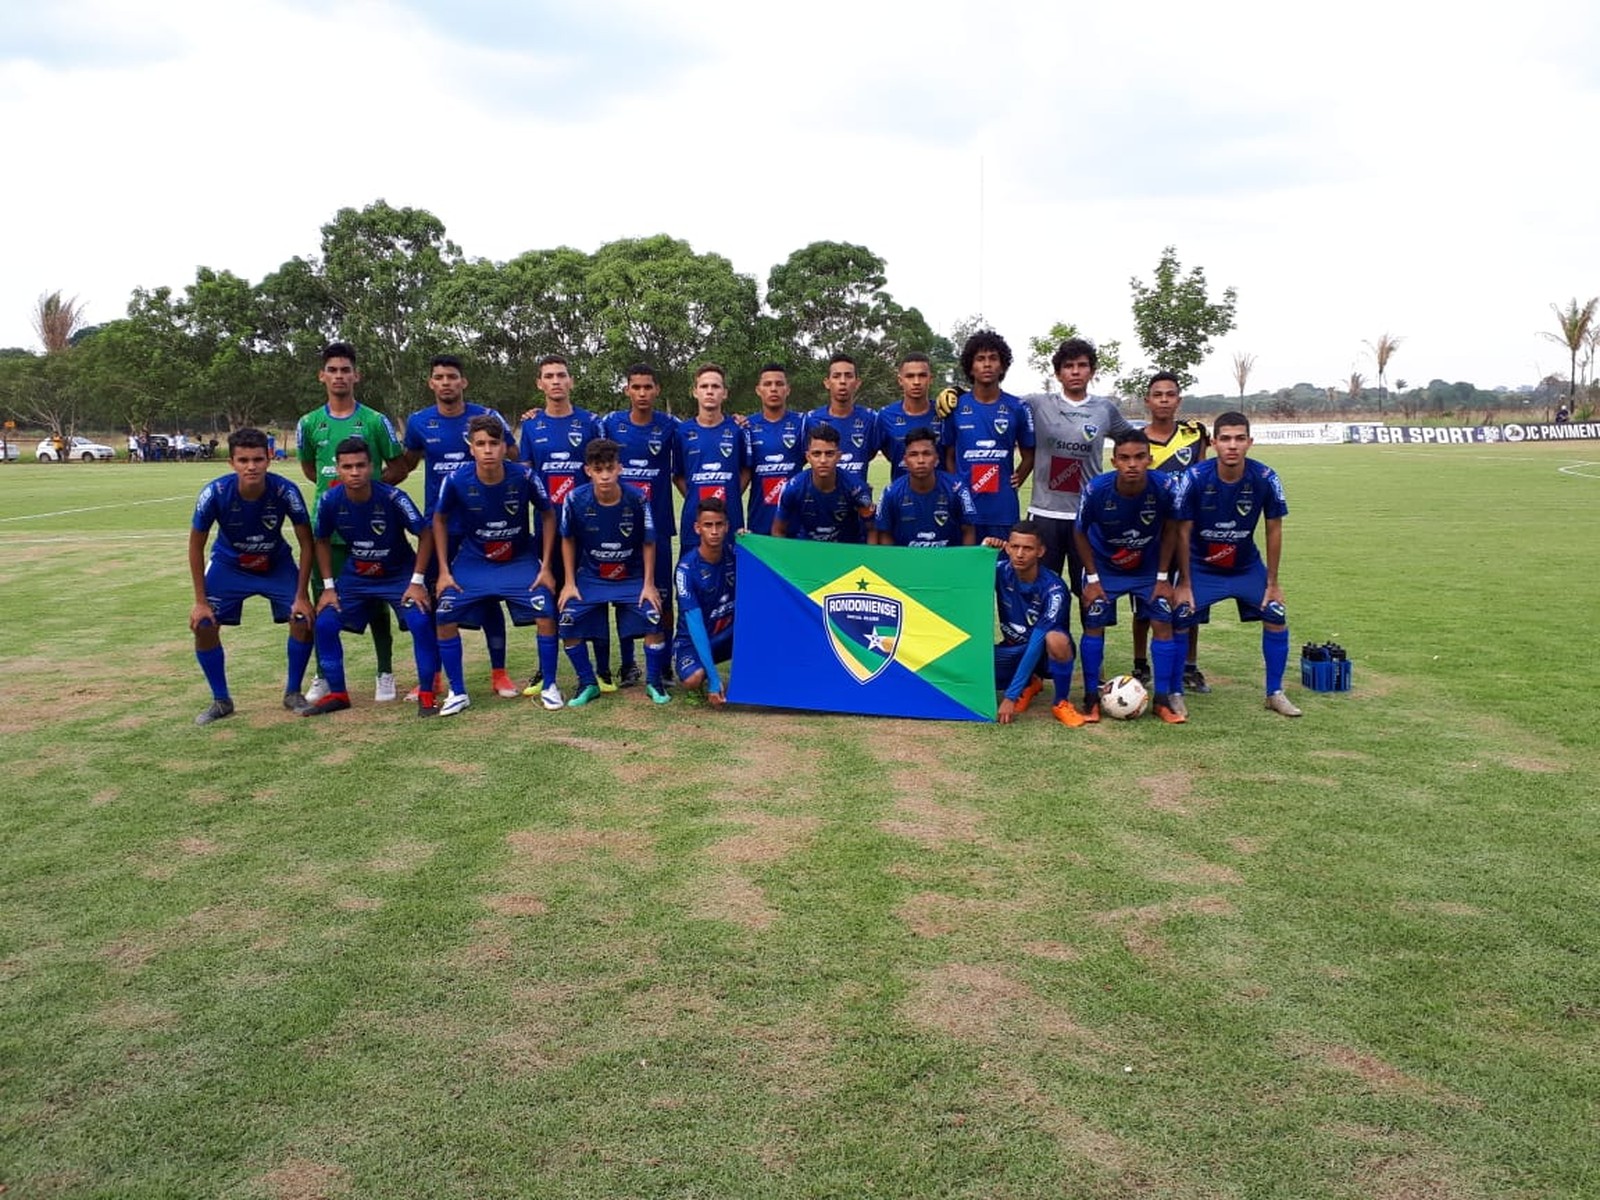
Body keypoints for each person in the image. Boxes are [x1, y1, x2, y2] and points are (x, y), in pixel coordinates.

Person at [392, 354, 519, 700]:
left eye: (452, 376)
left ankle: (500, 673)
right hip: (440, 526)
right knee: (435, 600)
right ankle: (431, 678)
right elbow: (405, 466)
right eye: (439, 377)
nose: (446, 382)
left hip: (483, 525)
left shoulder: (486, 418)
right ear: (431, 383)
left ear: (464, 382)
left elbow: (514, 455)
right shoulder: (419, 422)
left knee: (490, 597)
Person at [295, 342, 407, 704]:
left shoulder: (375, 421)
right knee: (322, 601)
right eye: (333, 370)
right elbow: (311, 469)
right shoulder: (309, 423)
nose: (339, 376)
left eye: (346, 370)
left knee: (376, 602)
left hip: (370, 529)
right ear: (322, 376)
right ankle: (324, 674)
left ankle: (384, 671)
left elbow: (399, 464)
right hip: (326, 530)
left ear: (356, 375)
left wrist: (371, 492)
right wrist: (340, 499)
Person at [1171, 411, 1301, 717]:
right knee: (1178, 617)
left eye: (1240, 439)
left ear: (1250, 442)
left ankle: (1275, 692)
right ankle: (1174, 692)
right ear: (1214, 442)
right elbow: (1182, 530)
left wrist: (1272, 583)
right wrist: (1185, 583)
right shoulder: (1194, 478)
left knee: (1276, 614)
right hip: (1201, 568)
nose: (1233, 446)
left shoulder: (1265, 478)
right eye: (1226, 439)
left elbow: (1274, 528)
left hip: (1245, 567)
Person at [187, 428, 315, 725]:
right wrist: (199, 601)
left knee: (303, 619)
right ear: (231, 462)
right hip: (229, 566)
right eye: (243, 460)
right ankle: (221, 700)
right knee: (204, 624)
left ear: (269, 459)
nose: (251, 466)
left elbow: (307, 542)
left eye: (258, 459)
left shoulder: (286, 491)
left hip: (275, 564)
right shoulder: (214, 493)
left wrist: (301, 596)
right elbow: (196, 546)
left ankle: (293, 693)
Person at [305, 437, 441, 717]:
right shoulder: (330, 500)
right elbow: (320, 541)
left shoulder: (393, 498)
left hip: (398, 575)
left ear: (372, 467)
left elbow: (425, 534)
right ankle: (339, 694)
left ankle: (427, 693)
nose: (355, 472)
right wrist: (329, 588)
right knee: (326, 623)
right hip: (357, 576)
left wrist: (417, 581)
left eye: (360, 465)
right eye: (347, 466)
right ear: (338, 468)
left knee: (420, 620)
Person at [433, 416, 560, 714]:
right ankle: (458, 691)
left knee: (546, 612)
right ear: (471, 448)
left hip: (518, 559)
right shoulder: (456, 479)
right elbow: (438, 519)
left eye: (494, 443)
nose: (488, 450)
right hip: (474, 561)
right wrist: (443, 571)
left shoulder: (525, 477)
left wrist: (546, 566)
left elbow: (548, 514)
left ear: (505, 446)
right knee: (444, 615)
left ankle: (551, 685)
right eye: (481, 444)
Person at [1072, 430, 1186, 724]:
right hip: (1105, 566)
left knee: (1162, 620)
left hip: (1148, 567)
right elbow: (1080, 532)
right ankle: (1090, 698)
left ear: (1149, 459)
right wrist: (1094, 579)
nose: (1132, 464)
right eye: (1124, 458)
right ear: (1114, 462)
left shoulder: (1166, 486)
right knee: (1094, 621)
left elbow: (1172, 529)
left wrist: (1163, 576)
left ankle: (1162, 700)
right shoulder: (1096, 489)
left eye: (1139, 457)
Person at [517, 354, 608, 689]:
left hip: (587, 527)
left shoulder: (590, 423)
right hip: (546, 527)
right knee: (548, 592)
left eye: (562, 375)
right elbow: (526, 474)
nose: (556, 381)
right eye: (549, 376)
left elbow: (603, 470)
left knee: (591, 592)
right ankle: (547, 667)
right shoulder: (531, 425)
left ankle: (602, 668)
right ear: (540, 383)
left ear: (571, 381)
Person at [557, 438, 669, 706]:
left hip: (630, 577)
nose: (605, 475)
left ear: (620, 468)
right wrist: (569, 582)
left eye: (610, 468)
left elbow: (648, 541)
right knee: (567, 620)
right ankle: (587, 683)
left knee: (655, 617)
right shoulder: (574, 499)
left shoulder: (638, 499)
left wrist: (648, 584)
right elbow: (568, 539)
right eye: (598, 469)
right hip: (592, 577)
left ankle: (654, 683)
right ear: (588, 471)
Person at [1017, 337, 1135, 582]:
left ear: (1092, 371)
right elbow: (999, 404)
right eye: (1068, 366)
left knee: (1090, 590)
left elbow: (1135, 442)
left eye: (1082, 365)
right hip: (1045, 514)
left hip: (1087, 514)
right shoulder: (1037, 404)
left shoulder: (1105, 409)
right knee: (1043, 586)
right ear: (1058, 373)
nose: (1075, 371)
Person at [601, 363, 680, 686]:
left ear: (657, 390)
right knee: (624, 595)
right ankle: (628, 664)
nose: (643, 393)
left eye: (648, 387)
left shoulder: (671, 426)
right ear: (627, 390)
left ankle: (662, 664)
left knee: (662, 595)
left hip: (658, 526)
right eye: (637, 387)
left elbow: (703, 430)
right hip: (619, 528)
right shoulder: (610, 425)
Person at [1132, 371, 1211, 694]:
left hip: (1189, 533)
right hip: (1151, 535)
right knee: (1145, 602)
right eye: (1157, 394)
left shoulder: (1195, 435)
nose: (1164, 400)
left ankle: (1190, 666)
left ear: (1178, 400)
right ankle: (1140, 664)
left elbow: (1204, 479)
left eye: (1170, 394)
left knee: (1189, 600)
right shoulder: (1136, 439)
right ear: (1147, 401)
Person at [939, 331, 1036, 543]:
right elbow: (949, 454)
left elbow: (1029, 454)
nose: (987, 364)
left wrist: (1018, 477)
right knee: (966, 571)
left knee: (1000, 570)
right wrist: (957, 486)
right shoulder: (955, 407)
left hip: (1002, 509)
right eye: (980, 359)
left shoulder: (1017, 407)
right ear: (970, 367)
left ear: (1002, 366)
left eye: (993, 358)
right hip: (966, 508)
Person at [989, 520, 1084, 728]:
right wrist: (982, 551)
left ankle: (1061, 702)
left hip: (1043, 654)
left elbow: (1036, 644)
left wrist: (1010, 697)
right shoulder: (999, 571)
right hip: (1013, 650)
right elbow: (965, 579)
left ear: (1040, 551)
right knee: (974, 669)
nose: (1020, 554)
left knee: (1055, 639)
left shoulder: (1054, 589)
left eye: (1028, 548)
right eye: (1015, 547)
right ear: (1007, 548)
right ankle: (1031, 681)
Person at [674, 362, 751, 543]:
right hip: (695, 518)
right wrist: (698, 497)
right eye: (704, 386)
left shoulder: (738, 429)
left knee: (732, 568)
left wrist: (730, 493)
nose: (710, 391)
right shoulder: (682, 432)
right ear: (695, 392)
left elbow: (746, 470)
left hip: (730, 518)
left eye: (715, 386)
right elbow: (677, 475)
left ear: (724, 393)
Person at [672, 497, 738, 706]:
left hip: (727, 635)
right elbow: (695, 626)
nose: (714, 531)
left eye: (719, 524)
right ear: (697, 528)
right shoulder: (686, 569)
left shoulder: (736, 555)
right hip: (692, 639)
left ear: (727, 526)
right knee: (693, 679)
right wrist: (714, 679)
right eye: (708, 525)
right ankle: (701, 677)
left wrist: (750, 540)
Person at [871, 427, 977, 547]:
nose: (920, 460)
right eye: (913, 454)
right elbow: (885, 534)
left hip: (947, 562)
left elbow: (968, 529)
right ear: (905, 460)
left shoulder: (957, 489)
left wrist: (964, 563)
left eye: (926, 454)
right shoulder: (891, 493)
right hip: (908, 562)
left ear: (936, 459)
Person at [771, 424, 875, 542]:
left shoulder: (857, 488)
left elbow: (872, 529)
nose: (823, 460)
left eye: (829, 454)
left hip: (846, 550)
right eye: (816, 454)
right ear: (808, 457)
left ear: (839, 456)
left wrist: (868, 558)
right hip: (808, 550)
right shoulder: (792, 488)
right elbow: (778, 531)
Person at [743, 362, 806, 536]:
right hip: (760, 519)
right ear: (758, 390)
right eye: (767, 384)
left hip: (796, 520)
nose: (773, 389)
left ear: (788, 389)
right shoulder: (746, 426)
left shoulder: (803, 423)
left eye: (779, 384)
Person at [804, 353, 881, 491]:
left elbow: (871, 453)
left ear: (857, 383)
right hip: (821, 503)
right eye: (836, 376)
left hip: (858, 502)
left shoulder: (871, 419)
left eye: (849, 376)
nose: (843, 381)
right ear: (827, 383)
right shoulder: (811, 420)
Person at [878, 352, 942, 479]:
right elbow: (889, 453)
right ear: (900, 380)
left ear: (931, 379)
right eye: (910, 376)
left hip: (941, 495)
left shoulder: (943, 413)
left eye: (922, 375)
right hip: (902, 496)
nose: (916, 382)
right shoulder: (885, 416)